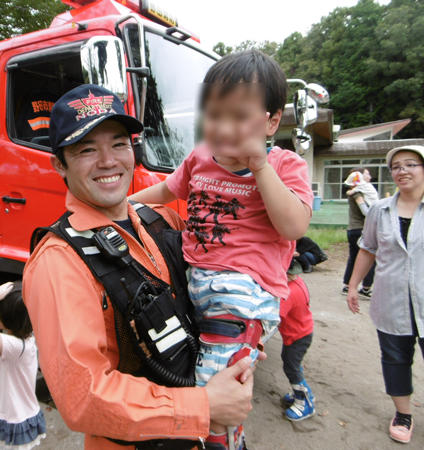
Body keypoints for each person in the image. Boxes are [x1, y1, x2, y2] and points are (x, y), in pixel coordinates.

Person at [23, 84, 259, 450]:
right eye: (87, 149)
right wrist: (205, 405)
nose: (108, 161)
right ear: (59, 164)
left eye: (118, 144)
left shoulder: (162, 220)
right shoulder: (59, 262)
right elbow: (83, 397)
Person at [130, 50, 313, 449]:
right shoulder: (199, 158)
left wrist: (260, 168)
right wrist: (122, 209)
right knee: (208, 366)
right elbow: (165, 191)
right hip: (197, 282)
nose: (223, 128)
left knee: (213, 386)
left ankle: (216, 441)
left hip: (243, 292)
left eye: (238, 116)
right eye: (214, 116)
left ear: (272, 121)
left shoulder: (285, 166)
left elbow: (293, 225)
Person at [347, 145, 424, 444]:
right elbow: (367, 249)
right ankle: (403, 413)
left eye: (411, 164)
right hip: (391, 298)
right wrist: (353, 285)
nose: (402, 171)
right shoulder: (380, 209)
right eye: (396, 166)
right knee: (394, 357)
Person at [0, 282, 46, 450]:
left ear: (6, 319)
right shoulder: (26, 339)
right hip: (19, 412)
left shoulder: (15, 347)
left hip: (14, 417)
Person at [279, 259, 315, 421]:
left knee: (291, 368)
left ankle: (304, 402)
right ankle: (303, 394)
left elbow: (275, 316)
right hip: (303, 332)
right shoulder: (298, 282)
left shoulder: (288, 293)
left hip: (297, 336)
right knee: (293, 365)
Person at [342, 167, 377, 297]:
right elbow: (365, 211)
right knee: (369, 258)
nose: (369, 176)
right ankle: (366, 287)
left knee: (353, 258)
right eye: (367, 173)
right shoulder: (358, 193)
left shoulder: (356, 191)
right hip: (361, 229)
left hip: (353, 229)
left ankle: (347, 285)